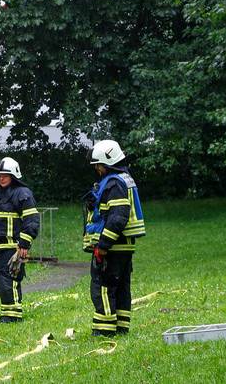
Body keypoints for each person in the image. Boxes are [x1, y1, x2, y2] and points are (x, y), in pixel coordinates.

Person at [85, 140, 145, 337]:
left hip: (112, 246)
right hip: (123, 245)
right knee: (120, 287)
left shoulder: (113, 184)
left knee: (103, 286)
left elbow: (118, 216)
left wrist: (103, 245)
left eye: (98, 165)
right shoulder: (124, 179)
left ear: (107, 163)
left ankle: (104, 330)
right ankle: (121, 327)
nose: (97, 169)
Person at [0, 157, 39, 323]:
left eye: (5, 175)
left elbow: (31, 220)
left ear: (14, 176)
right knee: (2, 280)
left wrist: (24, 243)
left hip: (13, 246)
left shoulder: (23, 194)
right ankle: (8, 313)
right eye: (0, 175)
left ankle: (13, 315)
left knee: (10, 279)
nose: (1, 178)